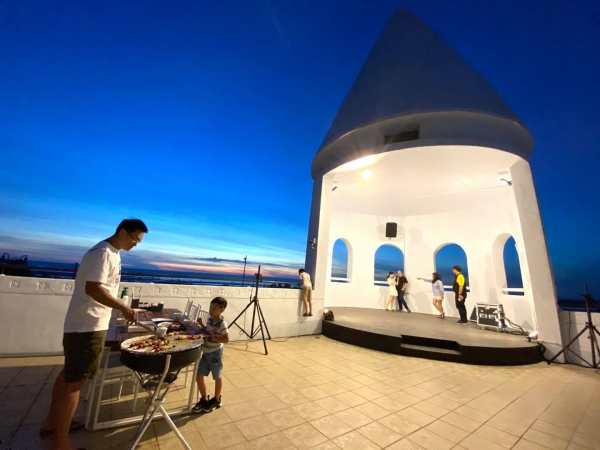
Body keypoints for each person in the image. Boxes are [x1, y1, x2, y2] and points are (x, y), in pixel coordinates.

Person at [41, 219, 147, 450]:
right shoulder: (103, 253)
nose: (136, 244)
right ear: (122, 232)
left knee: (68, 375)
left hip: (84, 325)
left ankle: (52, 423)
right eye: (135, 239)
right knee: (75, 383)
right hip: (87, 327)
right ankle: (60, 444)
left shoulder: (112, 253)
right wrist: (124, 307)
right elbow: (93, 288)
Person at [192, 297, 229, 413]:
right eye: (210, 308)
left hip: (215, 353)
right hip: (205, 351)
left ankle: (217, 399)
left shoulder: (222, 324)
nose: (211, 310)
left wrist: (214, 338)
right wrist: (201, 324)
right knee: (199, 376)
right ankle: (204, 398)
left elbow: (226, 339)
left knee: (217, 376)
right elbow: (208, 331)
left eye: (214, 308)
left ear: (222, 310)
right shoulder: (209, 320)